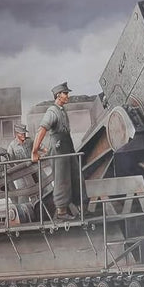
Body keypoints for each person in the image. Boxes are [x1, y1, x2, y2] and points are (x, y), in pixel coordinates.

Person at [31, 82, 85, 220]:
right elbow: (42, 130)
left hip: (68, 145)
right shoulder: (52, 111)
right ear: (58, 95)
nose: (68, 96)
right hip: (59, 147)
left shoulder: (62, 110)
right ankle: (61, 212)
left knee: (76, 175)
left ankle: (81, 208)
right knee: (62, 178)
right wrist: (34, 151)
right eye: (65, 93)